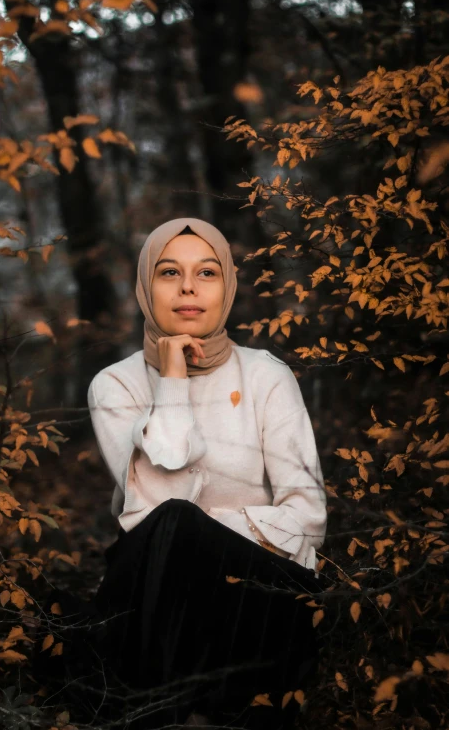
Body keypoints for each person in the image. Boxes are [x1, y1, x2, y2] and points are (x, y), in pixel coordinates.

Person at [33, 218, 328, 730]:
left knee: (180, 528)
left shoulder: (266, 375)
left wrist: (208, 536)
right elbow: (152, 514)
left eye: (207, 272)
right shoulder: (116, 384)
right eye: (169, 272)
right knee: (169, 526)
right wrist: (171, 380)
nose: (188, 287)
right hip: (161, 587)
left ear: (226, 286)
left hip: (256, 595)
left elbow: (308, 515)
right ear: (147, 286)